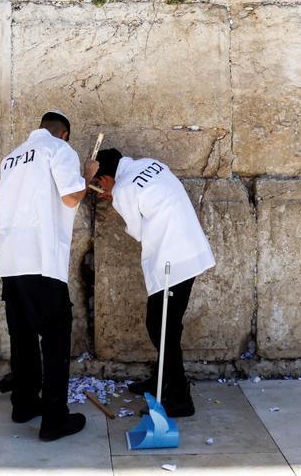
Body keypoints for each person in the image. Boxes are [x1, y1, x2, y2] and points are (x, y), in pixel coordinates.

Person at [0, 110, 98, 441]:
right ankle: (54, 419)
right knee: (55, 338)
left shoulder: (10, 158)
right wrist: (86, 175)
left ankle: (24, 404)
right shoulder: (59, 150)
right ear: (64, 134)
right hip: (43, 261)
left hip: (11, 262)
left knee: (22, 336)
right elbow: (70, 196)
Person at [92, 148, 215, 418]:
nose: (101, 189)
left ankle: (180, 396)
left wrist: (115, 199)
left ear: (106, 178)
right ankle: (161, 381)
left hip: (171, 259)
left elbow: (137, 231)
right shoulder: (151, 163)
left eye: (100, 184)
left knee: (160, 327)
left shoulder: (122, 189)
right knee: (167, 324)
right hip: (191, 251)